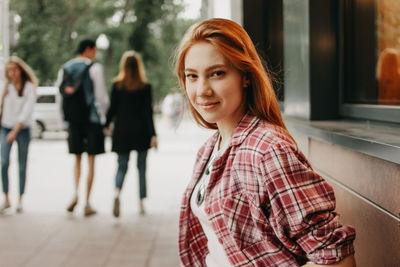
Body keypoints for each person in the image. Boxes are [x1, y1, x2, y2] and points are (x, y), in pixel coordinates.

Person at [175, 18, 356, 266]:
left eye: (217, 73)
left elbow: (337, 259)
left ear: (245, 76)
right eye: (192, 76)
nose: (202, 89)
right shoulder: (209, 149)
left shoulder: (268, 150)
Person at [57, 39, 109, 216]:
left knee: (77, 159)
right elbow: (100, 97)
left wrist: (63, 121)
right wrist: (105, 119)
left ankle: (75, 194)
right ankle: (87, 202)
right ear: (89, 49)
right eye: (94, 50)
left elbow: (60, 97)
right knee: (91, 160)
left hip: (73, 121)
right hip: (91, 120)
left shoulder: (65, 68)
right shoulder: (95, 68)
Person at [105, 51, 157, 217]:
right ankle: (141, 202)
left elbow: (112, 110)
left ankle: (116, 193)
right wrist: (153, 135)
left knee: (122, 166)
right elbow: (148, 113)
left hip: (122, 131)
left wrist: (105, 125)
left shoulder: (117, 85)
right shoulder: (145, 87)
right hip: (141, 131)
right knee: (141, 168)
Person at [0, 56, 38, 213]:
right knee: (3, 163)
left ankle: (20, 198)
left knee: (22, 165)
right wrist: (3, 95)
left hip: (22, 130)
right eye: (9, 70)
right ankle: (6, 198)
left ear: (20, 70)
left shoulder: (29, 87)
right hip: (5, 127)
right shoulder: (5, 86)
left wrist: (16, 130)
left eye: (14, 70)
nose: (11, 73)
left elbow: (27, 110)